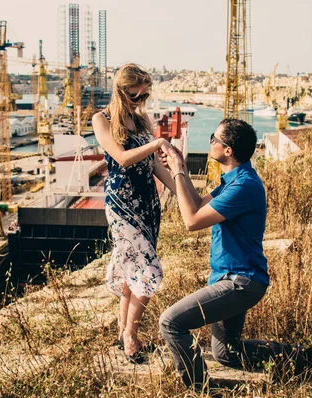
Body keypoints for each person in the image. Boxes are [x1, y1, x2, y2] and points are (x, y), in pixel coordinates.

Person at [159, 118, 312, 391]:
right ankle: (302, 357)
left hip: (239, 282)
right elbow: (195, 203)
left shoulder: (243, 186)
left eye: (213, 139)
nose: (209, 142)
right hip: (229, 278)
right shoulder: (233, 181)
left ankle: (202, 391)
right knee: (226, 353)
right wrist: (178, 168)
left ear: (228, 150)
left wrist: (177, 172)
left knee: (171, 322)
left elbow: (191, 220)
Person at [92, 63, 176, 364]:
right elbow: (123, 158)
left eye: (144, 96)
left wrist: (182, 190)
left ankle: (122, 330)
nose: (139, 102)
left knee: (133, 266)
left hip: (148, 202)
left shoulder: (141, 121)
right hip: (123, 204)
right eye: (133, 96)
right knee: (147, 271)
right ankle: (131, 335)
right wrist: (157, 142)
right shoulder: (101, 119)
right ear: (120, 91)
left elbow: (153, 165)